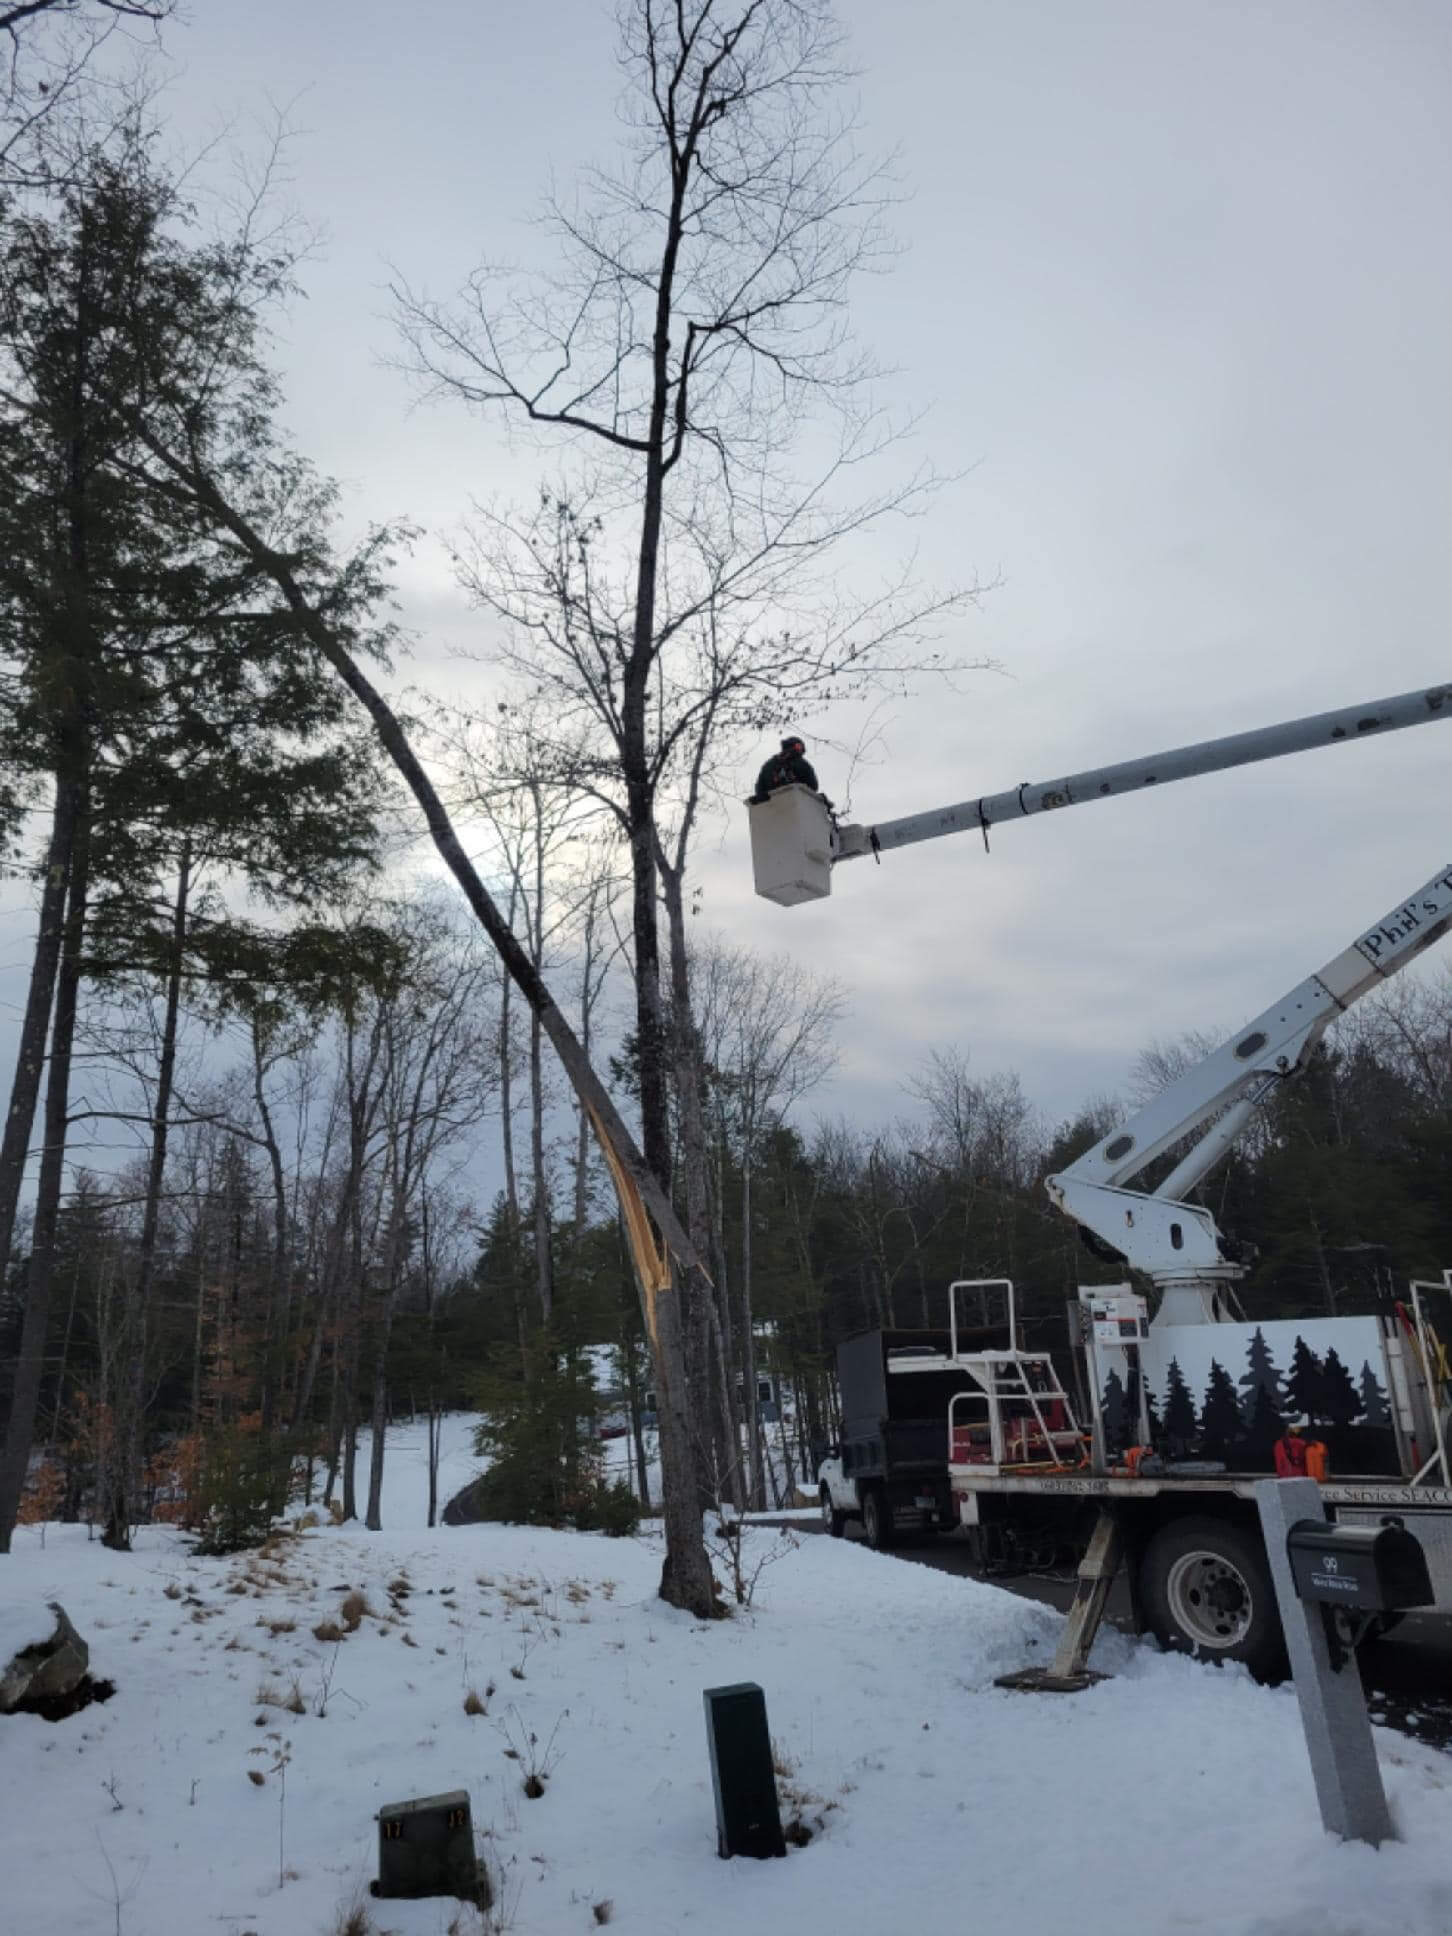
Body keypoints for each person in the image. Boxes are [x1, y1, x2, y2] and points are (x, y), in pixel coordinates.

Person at [751, 735, 819, 803]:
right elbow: (813, 786)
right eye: (799, 747)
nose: (801, 751)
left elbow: (759, 789)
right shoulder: (802, 763)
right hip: (797, 804)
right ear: (794, 746)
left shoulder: (768, 765)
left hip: (773, 808)